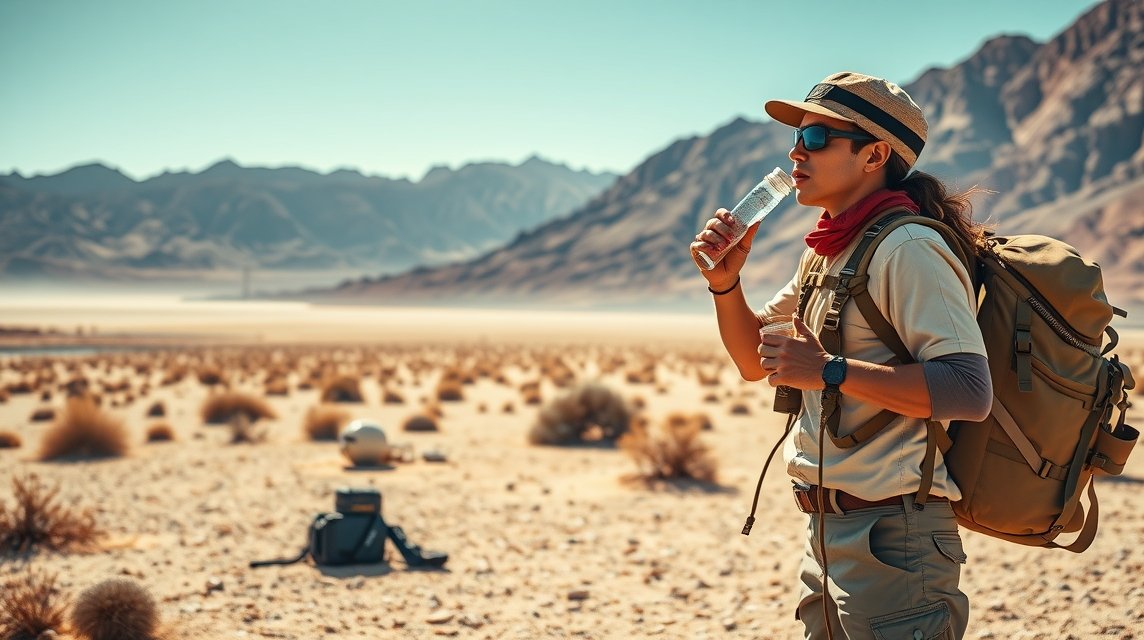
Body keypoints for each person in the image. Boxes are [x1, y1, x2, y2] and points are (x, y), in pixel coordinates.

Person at [690, 72, 994, 639]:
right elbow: (754, 360)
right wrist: (726, 285)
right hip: (829, 531)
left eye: (815, 139)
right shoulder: (832, 250)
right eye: (795, 138)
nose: (794, 152)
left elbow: (968, 390)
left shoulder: (909, 248)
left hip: (895, 539)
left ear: (875, 153)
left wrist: (829, 370)